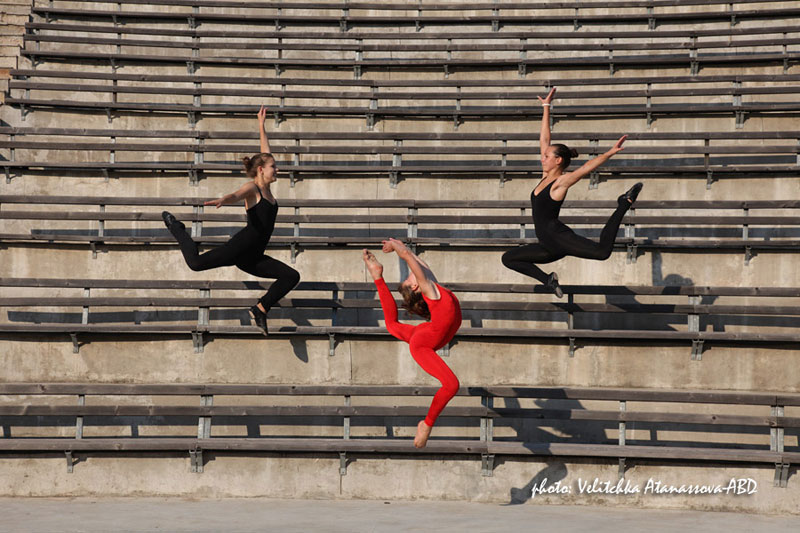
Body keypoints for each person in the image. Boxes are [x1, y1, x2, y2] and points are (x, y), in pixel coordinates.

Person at [162, 106, 299, 335]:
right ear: (261, 170)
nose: (277, 169)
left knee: (291, 276)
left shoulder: (267, 187)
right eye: (273, 167)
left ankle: (260, 308)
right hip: (239, 248)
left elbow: (265, 153)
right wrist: (224, 199)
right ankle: (176, 227)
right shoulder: (253, 189)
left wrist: (261, 125)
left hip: (254, 257)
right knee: (195, 264)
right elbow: (237, 194)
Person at [501, 88, 642, 298]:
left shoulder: (560, 183)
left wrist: (609, 153)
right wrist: (546, 107)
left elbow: (585, 168)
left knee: (603, 252)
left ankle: (623, 203)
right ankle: (548, 280)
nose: (543, 157)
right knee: (509, 258)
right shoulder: (545, 174)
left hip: (559, 239)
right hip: (546, 245)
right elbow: (544, 140)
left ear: (558, 160)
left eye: (547, 156)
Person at [362, 238, 461, 448]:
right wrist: (399, 248)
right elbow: (407, 256)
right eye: (411, 278)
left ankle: (377, 276)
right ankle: (426, 425)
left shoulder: (431, 286)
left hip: (428, 332)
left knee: (391, 325)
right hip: (422, 344)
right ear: (416, 286)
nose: (412, 274)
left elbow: (416, 260)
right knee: (452, 385)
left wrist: (396, 242)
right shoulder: (428, 290)